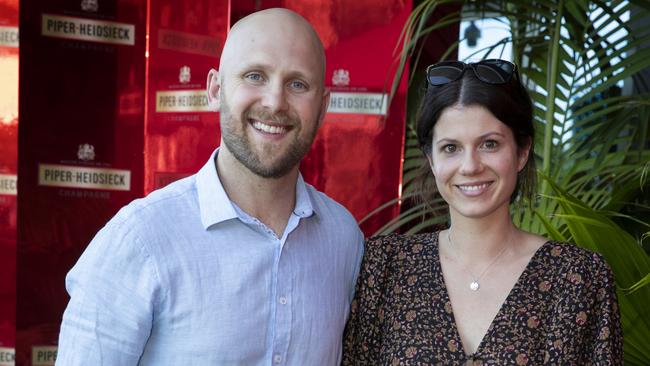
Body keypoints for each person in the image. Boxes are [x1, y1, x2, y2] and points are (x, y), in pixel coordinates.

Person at [56, 8, 364, 365]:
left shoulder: (343, 240)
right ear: (215, 89)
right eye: (255, 76)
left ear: (323, 106)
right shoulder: (139, 241)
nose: (275, 102)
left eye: (298, 84)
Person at [342, 59, 622, 365]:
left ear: (522, 151)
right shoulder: (384, 267)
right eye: (451, 148)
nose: (471, 166)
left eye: (489, 144)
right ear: (431, 159)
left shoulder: (578, 277)